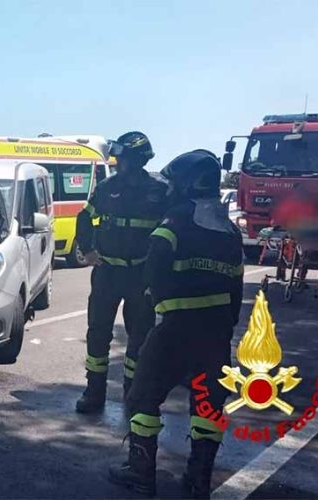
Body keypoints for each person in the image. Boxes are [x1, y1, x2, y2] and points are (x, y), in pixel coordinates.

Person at [109, 150, 243, 498]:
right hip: (214, 336)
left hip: (174, 330)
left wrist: (157, 312)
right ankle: (199, 478)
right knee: (208, 405)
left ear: (185, 185)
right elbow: (236, 289)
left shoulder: (173, 224)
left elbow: (152, 275)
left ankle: (141, 473)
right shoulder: (229, 231)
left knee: (143, 397)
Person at [73, 132, 169, 413]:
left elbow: (171, 228)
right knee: (98, 333)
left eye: (121, 157)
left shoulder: (160, 190)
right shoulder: (107, 187)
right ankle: (94, 392)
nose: (117, 162)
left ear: (136, 159)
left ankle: (133, 394)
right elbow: (84, 218)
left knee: (139, 337)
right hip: (108, 273)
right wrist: (88, 250)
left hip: (141, 274)